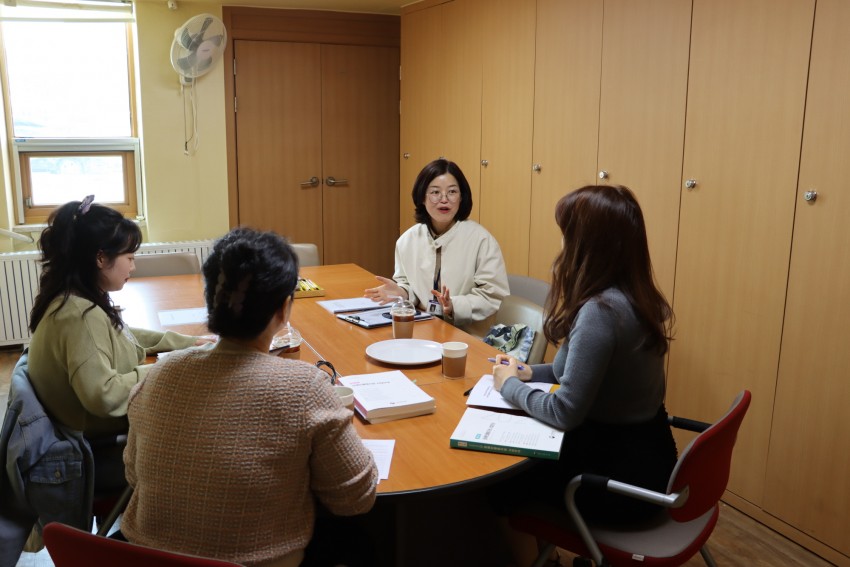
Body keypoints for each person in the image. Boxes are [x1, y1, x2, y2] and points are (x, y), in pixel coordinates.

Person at [121, 228, 379, 567]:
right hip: (258, 562)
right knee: (363, 542)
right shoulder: (303, 387)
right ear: (284, 309)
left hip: (145, 558)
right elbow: (355, 499)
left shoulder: (160, 374)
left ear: (210, 302)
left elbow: (133, 474)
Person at [491, 185, 678, 556]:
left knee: (496, 482)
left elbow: (565, 411)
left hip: (615, 482)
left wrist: (509, 386)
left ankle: (529, 556)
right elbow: (574, 371)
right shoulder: (637, 297)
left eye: (567, 235)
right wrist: (529, 374)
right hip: (652, 462)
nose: (563, 246)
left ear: (587, 245)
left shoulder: (601, 312)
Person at [27, 196, 207, 491]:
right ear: (100, 258)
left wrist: (185, 344)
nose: (133, 266)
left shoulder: (72, 299)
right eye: (130, 257)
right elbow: (105, 396)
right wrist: (166, 368)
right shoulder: (79, 317)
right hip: (96, 454)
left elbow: (121, 333)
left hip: (87, 437)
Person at [364, 158, 509, 332]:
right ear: (422, 197)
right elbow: (407, 283)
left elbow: (494, 295)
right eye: (435, 192)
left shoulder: (481, 240)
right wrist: (403, 292)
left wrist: (453, 305)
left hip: (467, 334)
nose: (444, 199)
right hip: (423, 329)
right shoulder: (407, 240)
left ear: (462, 197)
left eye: (452, 192)